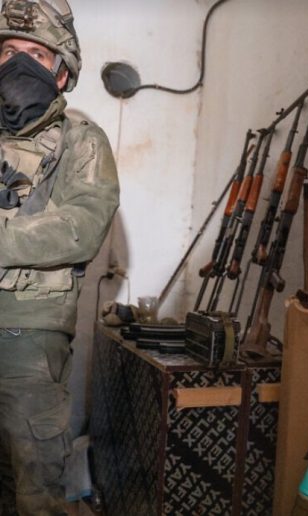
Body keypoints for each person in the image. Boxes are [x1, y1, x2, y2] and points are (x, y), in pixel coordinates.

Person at [0, 0, 120, 514]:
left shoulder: (81, 141)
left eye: (34, 54)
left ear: (62, 72)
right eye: (7, 51)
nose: (16, 63)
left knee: (34, 488)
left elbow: (82, 227)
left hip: (29, 334)